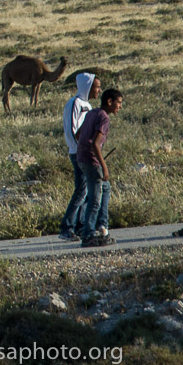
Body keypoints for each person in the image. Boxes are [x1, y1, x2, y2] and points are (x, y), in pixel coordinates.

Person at [76, 88, 124, 248]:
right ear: (109, 102)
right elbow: (95, 144)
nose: (120, 106)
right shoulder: (104, 118)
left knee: (106, 188)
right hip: (91, 161)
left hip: (81, 158)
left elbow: (78, 134)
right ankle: (88, 235)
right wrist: (104, 167)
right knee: (95, 199)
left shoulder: (91, 113)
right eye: (119, 102)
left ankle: (103, 227)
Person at [58, 73, 102, 241]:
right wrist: (79, 150)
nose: (98, 90)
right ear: (88, 86)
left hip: (87, 153)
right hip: (78, 154)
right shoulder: (74, 103)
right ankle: (66, 227)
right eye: (96, 86)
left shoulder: (88, 106)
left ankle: (79, 225)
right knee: (81, 190)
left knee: (86, 191)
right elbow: (71, 130)